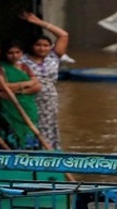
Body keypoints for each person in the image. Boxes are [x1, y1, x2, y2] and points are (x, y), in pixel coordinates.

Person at [19, 11, 68, 149]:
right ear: (32, 46)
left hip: (49, 97)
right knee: (30, 123)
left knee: (48, 125)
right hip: (28, 96)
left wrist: (40, 23)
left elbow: (63, 35)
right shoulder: (23, 60)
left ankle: (47, 151)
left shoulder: (53, 57)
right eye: (38, 45)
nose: (42, 48)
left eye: (46, 45)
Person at [0, 40, 42, 150]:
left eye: (17, 52)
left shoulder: (24, 67)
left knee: (30, 130)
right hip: (9, 105)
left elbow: (37, 85)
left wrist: (18, 90)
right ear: (5, 54)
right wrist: (25, 84)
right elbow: (2, 86)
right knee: (11, 130)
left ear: (22, 53)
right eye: (10, 53)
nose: (14, 56)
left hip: (28, 106)